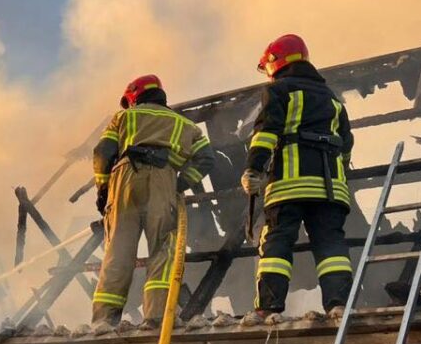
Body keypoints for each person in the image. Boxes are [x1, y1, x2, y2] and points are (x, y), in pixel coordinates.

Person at [241, 34, 355, 318]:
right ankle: (338, 305)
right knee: (332, 246)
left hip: (289, 185)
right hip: (331, 190)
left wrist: (254, 169)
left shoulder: (279, 90)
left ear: (274, 62)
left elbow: (267, 132)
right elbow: (346, 143)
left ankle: (267, 309)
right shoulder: (331, 98)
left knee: (277, 243)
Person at [91, 74, 215, 327]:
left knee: (118, 252)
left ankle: (104, 320)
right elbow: (207, 158)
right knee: (163, 249)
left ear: (133, 97)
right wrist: (180, 184)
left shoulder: (124, 117)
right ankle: (156, 316)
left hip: (124, 179)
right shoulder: (184, 124)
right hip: (163, 180)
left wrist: (103, 189)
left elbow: (103, 152)